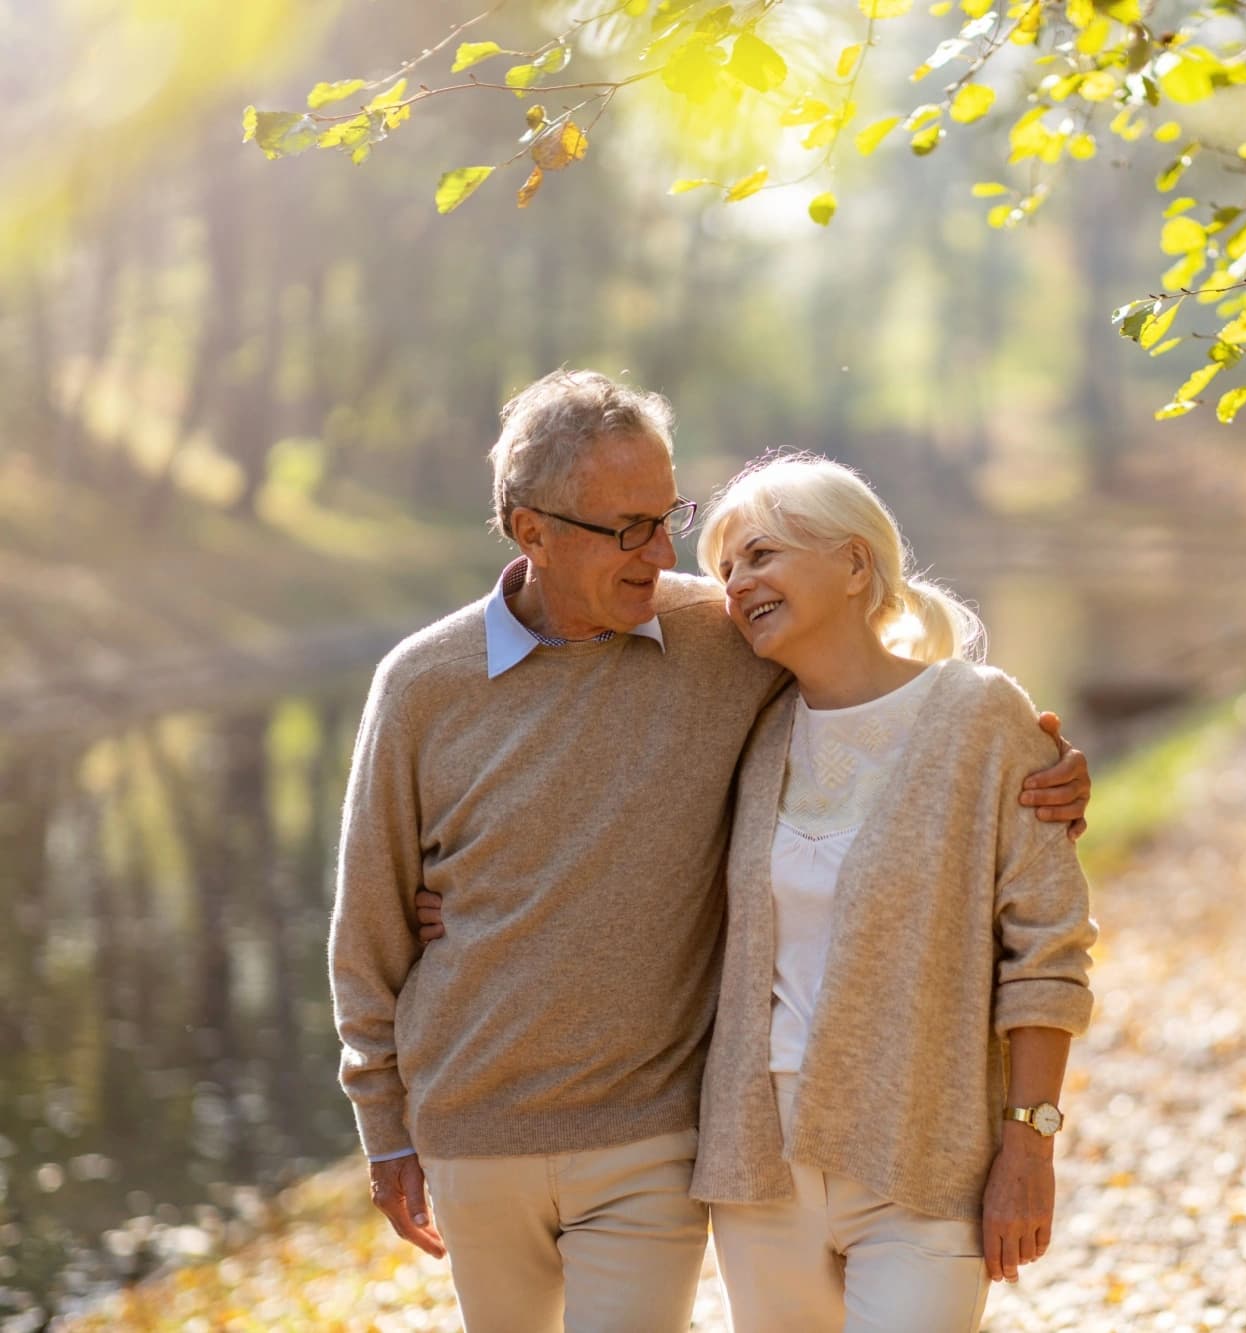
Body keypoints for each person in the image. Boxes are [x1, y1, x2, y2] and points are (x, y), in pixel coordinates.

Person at [330, 370, 1091, 1333]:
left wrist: (1048, 772)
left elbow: (898, 709)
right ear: (533, 532)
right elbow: (369, 922)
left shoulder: (719, 639)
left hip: (657, 1132)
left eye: (668, 516)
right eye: (627, 528)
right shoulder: (424, 683)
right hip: (479, 1129)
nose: (668, 557)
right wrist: (384, 1122)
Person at [689, 454, 1096, 1333]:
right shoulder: (749, 732)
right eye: (725, 570)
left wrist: (1029, 1140)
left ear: (853, 564)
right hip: (758, 1163)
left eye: (760, 554)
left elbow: (1048, 947)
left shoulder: (981, 715)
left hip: (924, 1148)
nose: (737, 584)